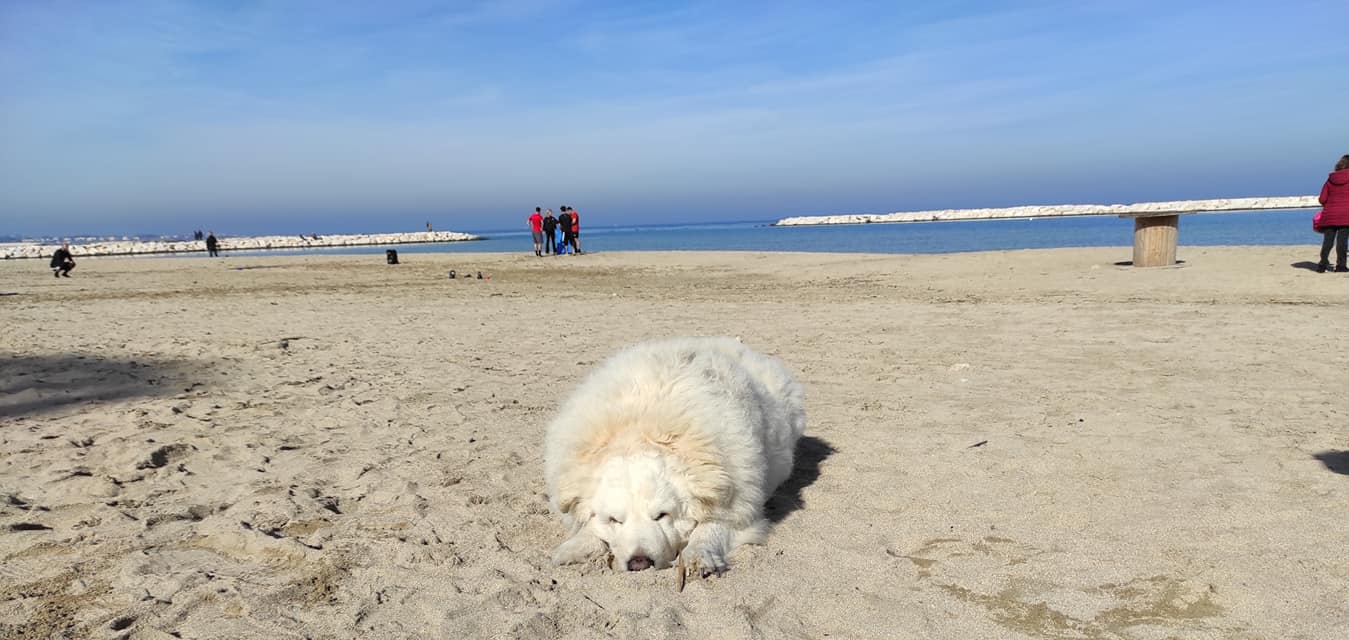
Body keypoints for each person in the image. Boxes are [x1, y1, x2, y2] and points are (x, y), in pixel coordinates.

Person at [1315, 154, 1349, 273]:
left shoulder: (1330, 179)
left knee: (1328, 241)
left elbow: (1322, 199)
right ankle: (1341, 266)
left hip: (1330, 214)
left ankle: (1322, 264)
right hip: (1346, 215)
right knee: (1342, 241)